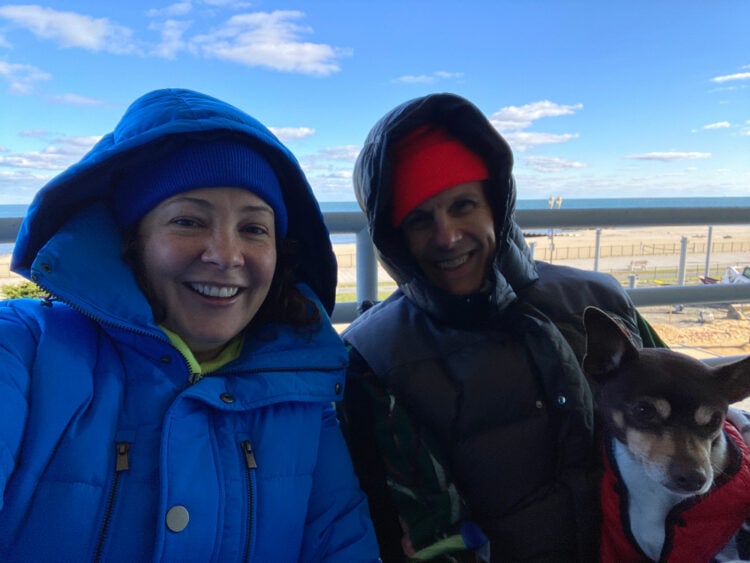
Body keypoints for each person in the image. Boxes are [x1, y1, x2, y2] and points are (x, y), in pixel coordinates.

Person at [0, 88, 379, 561]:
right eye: (188, 221)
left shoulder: (303, 397)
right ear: (131, 239)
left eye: (254, 228)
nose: (225, 254)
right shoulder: (22, 348)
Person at [337, 93, 666, 562]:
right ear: (395, 239)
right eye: (418, 219)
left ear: (496, 205)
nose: (447, 236)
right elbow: (418, 531)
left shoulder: (598, 299)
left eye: (463, 205)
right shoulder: (375, 358)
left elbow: (691, 413)